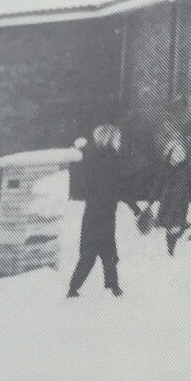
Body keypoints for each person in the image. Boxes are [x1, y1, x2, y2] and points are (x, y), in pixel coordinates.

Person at [67, 125, 141, 298]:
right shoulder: (111, 160)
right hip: (104, 214)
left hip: (94, 212)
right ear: (110, 140)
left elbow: (86, 180)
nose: (119, 142)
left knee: (91, 253)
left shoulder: (93, 158)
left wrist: (82, 149)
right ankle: (111, 287)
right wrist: (135, 207)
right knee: (106, 251)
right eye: (117, 138)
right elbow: (120, 187)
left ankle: (77, 288)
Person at [152, 139, 191, 256]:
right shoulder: (167, 168)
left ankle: (172, 244)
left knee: (177, 225)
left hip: (180, 200)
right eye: (176, 153)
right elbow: (159, 183)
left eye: (180, 153)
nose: (178, 155)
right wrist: (151, 199)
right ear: (170, 154)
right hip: (170, 200)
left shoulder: (186, 168)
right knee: (171, 225)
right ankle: (171, 248)